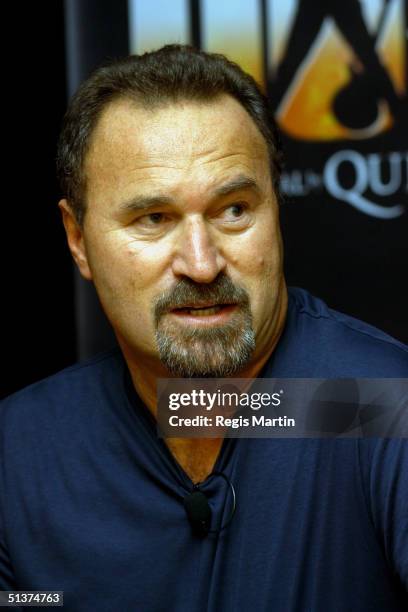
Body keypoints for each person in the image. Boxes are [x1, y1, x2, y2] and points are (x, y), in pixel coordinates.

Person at [0, 45, 407, 611]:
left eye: (234, 209)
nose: (201, 262)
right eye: (154, 219)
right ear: (78, 240)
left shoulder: (381, 407)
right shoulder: (21, 449)